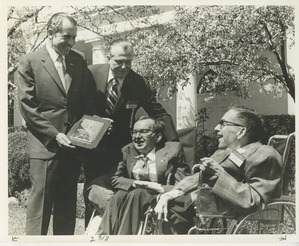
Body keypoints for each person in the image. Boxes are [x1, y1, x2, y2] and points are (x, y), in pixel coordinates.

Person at [17, 12, 97, 235]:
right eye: (66, 37)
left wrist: (95, 125)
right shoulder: (29, 62)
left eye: (74, 37)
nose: (71, 43)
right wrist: (54, 134)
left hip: (72, 146)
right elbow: (28, 107)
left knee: (66, 208)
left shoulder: (78, 59)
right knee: (40, 208)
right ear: (50, 33)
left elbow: (87, 99)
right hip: (46, 146)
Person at [84, 39, 179, 225]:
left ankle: (118, 230)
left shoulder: (137, 82)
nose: (124, 66)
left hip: (119, 150)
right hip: (92, 146)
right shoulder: (90, 74)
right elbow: (78, 107)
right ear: (108, 58)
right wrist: (96, 122)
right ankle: (92, 234)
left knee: (117, 192)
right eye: (119, 61)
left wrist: (174, 143)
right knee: (93, 190)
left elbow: (157, 111)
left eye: (128, 61)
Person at [153, 106, 283, 234]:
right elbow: (197, 177)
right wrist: (171, 193)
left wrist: (219, 174)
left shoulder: (264, 154)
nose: (215, 128)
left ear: (241, 132)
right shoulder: (225, 152)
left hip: (219, 204)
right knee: (146, 195)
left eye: (223, 124)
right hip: (201, 198)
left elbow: (254, 200)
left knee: (168, 206)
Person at [88, 116, 190, 235]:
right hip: (133, 195)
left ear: (158, 137)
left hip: (159, 194)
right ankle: (103, 237)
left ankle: (123, 239)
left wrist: (156, 187)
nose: (137, 137)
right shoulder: (128, 150)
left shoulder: (173, 150)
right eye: (134, 132)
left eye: (144, 131)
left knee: (136, 194)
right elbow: (115, 178)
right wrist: (137, 183)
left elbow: (183, 183)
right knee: (120, 195)